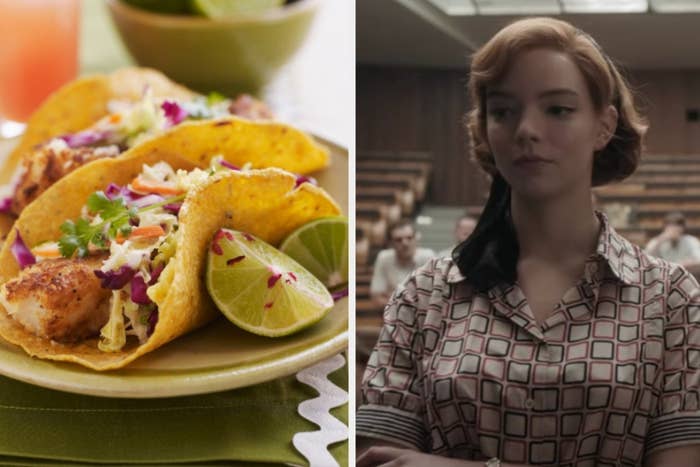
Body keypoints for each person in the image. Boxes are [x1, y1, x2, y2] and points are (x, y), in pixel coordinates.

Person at [357, 17, 700, 467]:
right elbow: (377, 460)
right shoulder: (423, 294)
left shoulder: (674, 299)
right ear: (486, 128)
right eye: (503, 111)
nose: (525, 130)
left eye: (557, 109)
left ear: (603, 125)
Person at [369, 219, 434, 310]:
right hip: (392, 319)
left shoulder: (428, 256)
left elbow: (434, 298)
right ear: (390, 243)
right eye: (398, 240)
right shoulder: (383, 257)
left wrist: (394, 298)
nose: (405, 243)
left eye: (409, 238)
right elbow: (377, 299)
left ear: (416, 239)